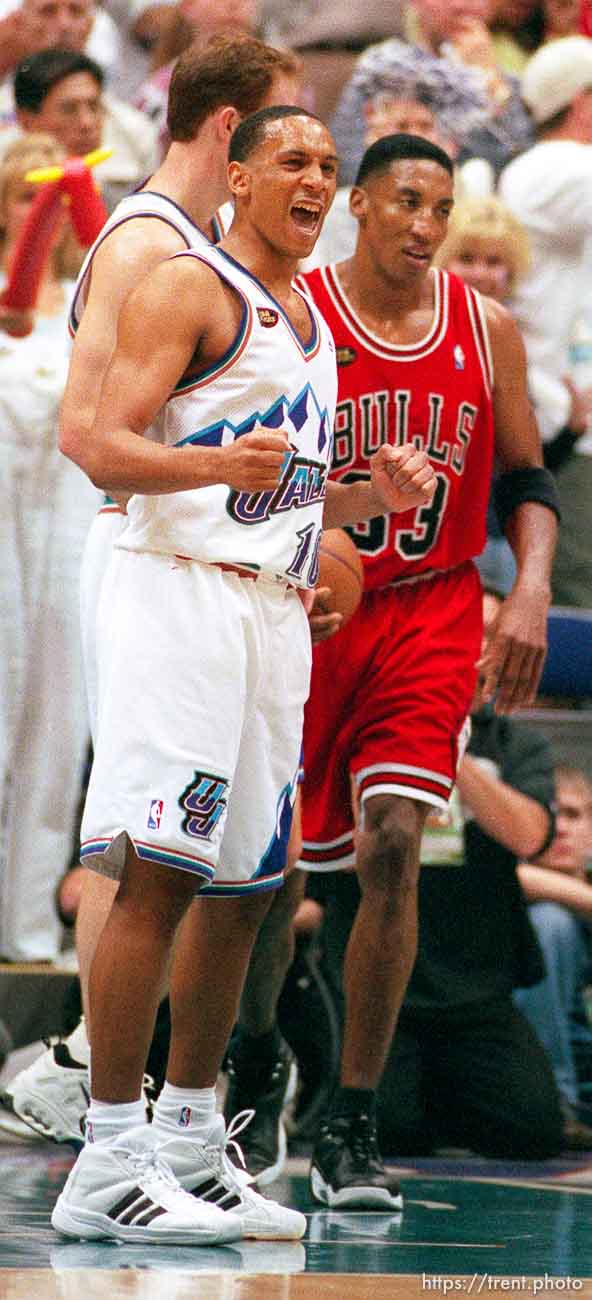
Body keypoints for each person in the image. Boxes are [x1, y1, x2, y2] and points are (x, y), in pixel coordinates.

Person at [50, 105, 436, 1245]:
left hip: (269, 608)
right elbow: (98, 444)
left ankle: (187, 1135)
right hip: (175, 589)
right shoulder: (187, 284)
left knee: (249, 883)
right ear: (238, 171)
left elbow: (285, 491)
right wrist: (216, 460)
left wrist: (371, 499)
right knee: (158, 868)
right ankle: (106, 1153)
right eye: (293, 162)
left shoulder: (310, 316)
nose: (315, 181)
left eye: (328, 165)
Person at [0, 33, 303, 1172]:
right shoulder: (143, 243)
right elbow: (93, 440)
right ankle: (90, 1087)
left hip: (215, 569)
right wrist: (225, 483)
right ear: (231, 134)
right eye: (283, 136)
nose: (302, 171)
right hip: (142, 562)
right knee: (146, 841)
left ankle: (145, 1106)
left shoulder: (210, 250)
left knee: (216, 857)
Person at [296, 131, 560, 1209]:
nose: (422, 222)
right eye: (405, 199)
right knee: (269, 886)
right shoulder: (297, 313)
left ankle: (353, 1119)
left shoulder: (482, 326)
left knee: (396, 842)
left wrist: (532, 584)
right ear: (357, 203)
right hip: (314, 605)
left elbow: (529, 477)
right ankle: (269, 1056)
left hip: (435, 608)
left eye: (439, 207)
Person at [313, 586, 564, 1161]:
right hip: (379, 988)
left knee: (532, 1132)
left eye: (489, 636)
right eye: (465, 632)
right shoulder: (370, 721)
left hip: (476, 988)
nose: (475, 650)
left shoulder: (516, 741)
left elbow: (528, 835)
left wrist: (447, 736)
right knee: (393, 1127)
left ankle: (448, 1099)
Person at [0, 134, 99, 962]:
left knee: (57, 725)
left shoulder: (87, 309)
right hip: (3, 519)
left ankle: (28, 928)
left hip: (65, 524)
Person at [498, 35, 592, 606]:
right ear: (582, 102)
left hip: (563, 412)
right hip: (559, 422)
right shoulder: (554, 167)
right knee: (574, 591)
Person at [330, 0, 534, 187]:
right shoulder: (382, 71)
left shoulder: (507, 83)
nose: (461, 5)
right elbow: (348, 164)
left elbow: (522, 176)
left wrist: (492, 86)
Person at [515, 764, 592, 1149]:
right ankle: (557, 1101)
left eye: (573, 815)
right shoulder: (511, 888)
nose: (561, 827)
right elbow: (518, 879)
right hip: (542, 1080)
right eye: (551, 813)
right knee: (550, 922)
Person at [2, 47, 159, 212]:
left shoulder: (133, 153)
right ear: (27, 121)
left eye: (94, 106)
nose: (87, 123)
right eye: (68, 109)